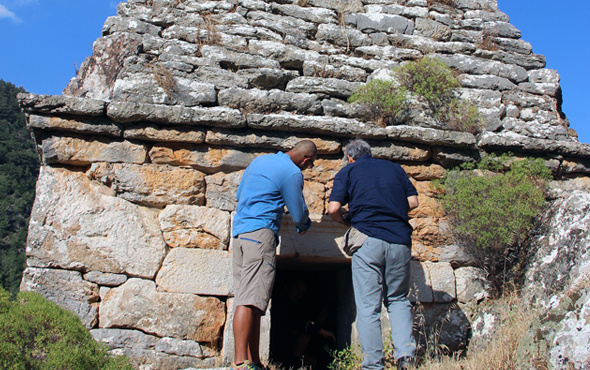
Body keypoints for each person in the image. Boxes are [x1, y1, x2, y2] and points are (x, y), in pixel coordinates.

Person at [328, 139, 419, 370]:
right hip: (400, 240)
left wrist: (345, 221)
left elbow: (334, 208)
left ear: (350, 157)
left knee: (369, 306)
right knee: (398, 299)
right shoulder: (395, 168)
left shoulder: (348, 171)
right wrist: (392, 211)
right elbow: (413, 202)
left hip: (368, 238)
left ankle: (374, 365)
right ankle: (405, 357)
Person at [232, 140, 317, 370]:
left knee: (253, 300)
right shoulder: (291, 172)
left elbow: (239, 194)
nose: (306, 170)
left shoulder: (260, 161)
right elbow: (298, 212)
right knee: (250, 300)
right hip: (261, 234)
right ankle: (240, 362)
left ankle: (254, 361)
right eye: (310, 166)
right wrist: (304, 225)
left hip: (240, 233)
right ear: (306, 160)